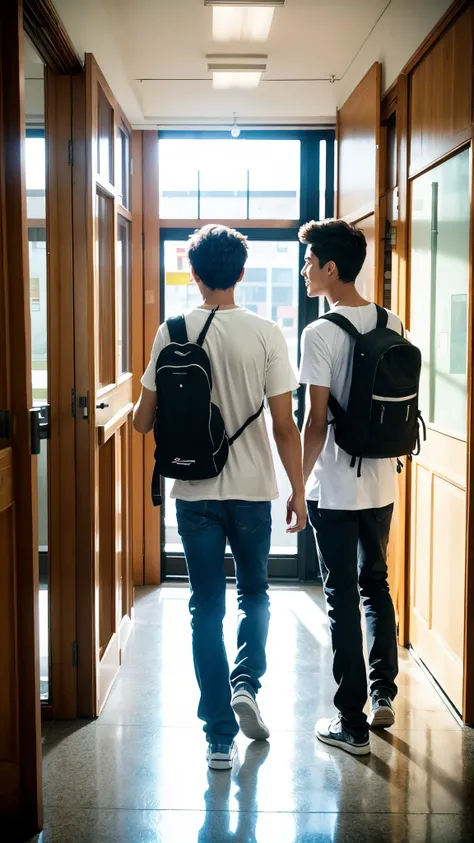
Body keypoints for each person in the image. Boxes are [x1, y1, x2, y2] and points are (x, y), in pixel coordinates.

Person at [134, 224, 307, 770]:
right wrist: (298, 490)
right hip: (255, 490)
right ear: (242, 272)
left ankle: (216, 736)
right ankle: (246, 683)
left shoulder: (171, 331)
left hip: (194, 492)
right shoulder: (265, 332)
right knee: (254, 594)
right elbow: (285, 425)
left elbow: (142, 422)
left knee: (204, 606)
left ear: (193, 271)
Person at [299, 219, 401, 756]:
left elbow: (316, 421)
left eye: (310, 262)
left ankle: (351, 724)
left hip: (335, 487)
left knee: (340, 596)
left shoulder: (319, 333)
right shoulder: (393, 320)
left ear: (331, 268)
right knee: (376, 585)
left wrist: (296, 484)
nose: (305, 271)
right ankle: (384, 694)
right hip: (383, 482)